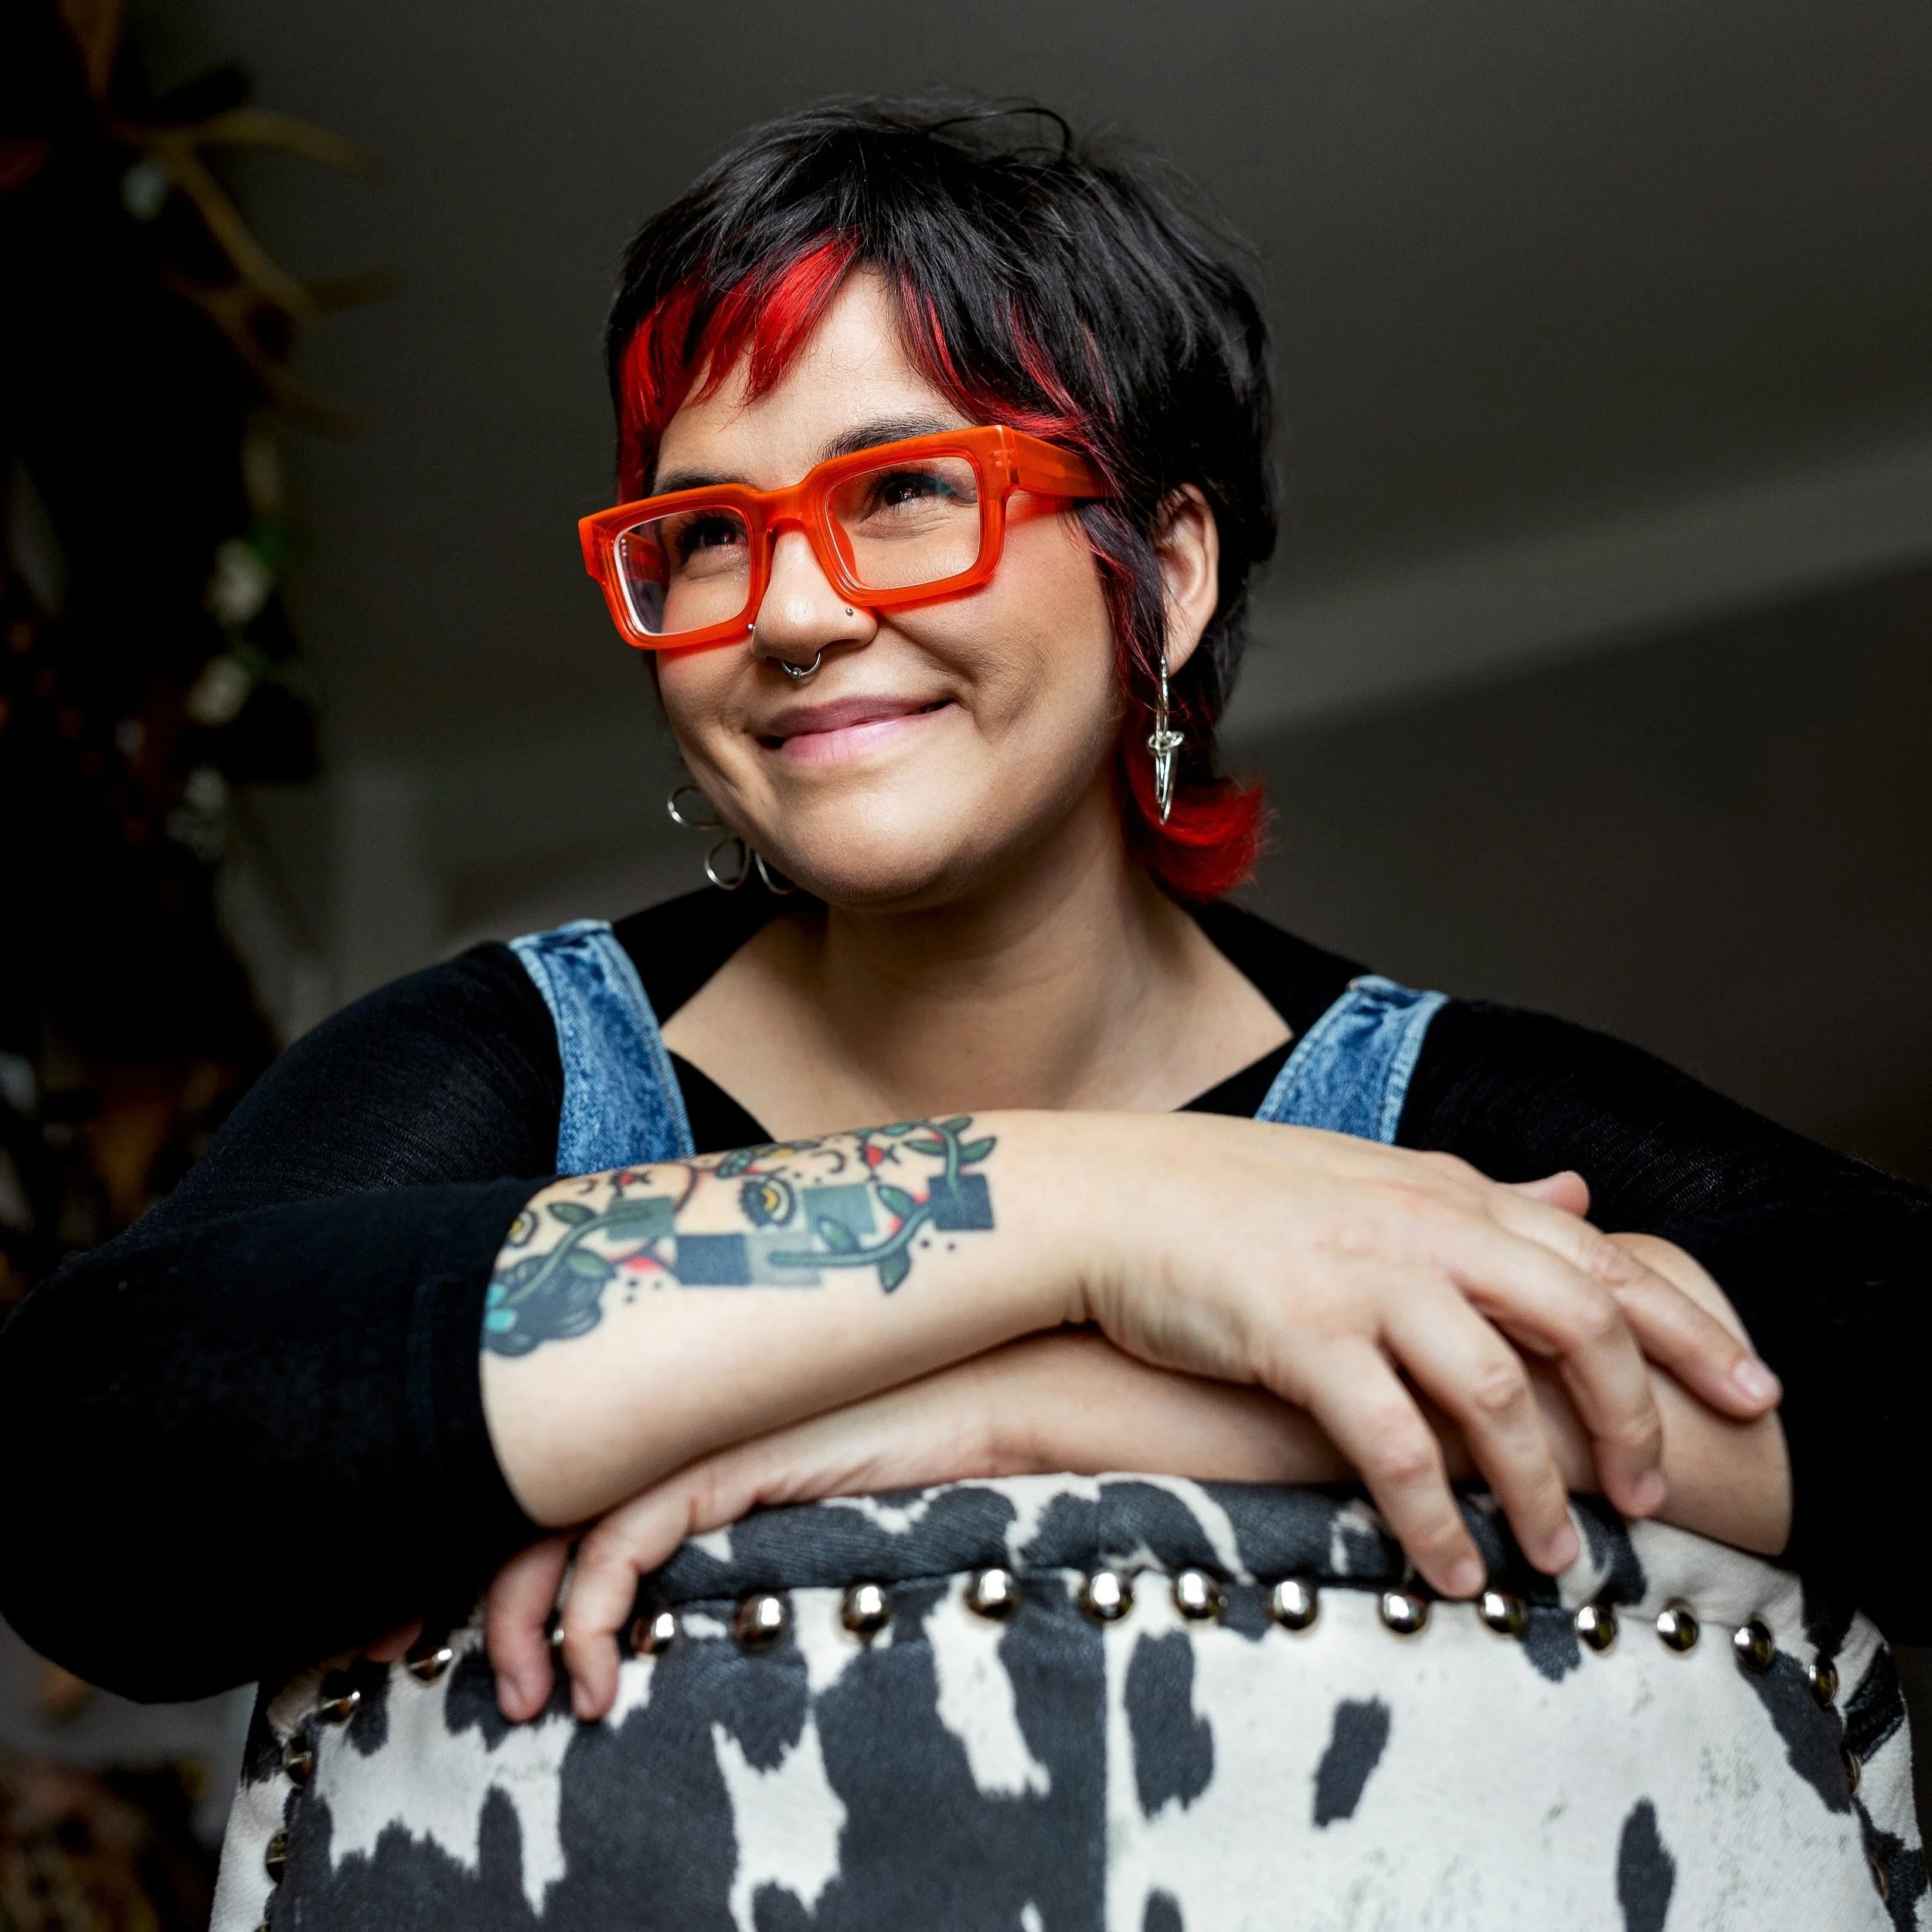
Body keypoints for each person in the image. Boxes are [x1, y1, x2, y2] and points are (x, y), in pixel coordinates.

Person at [0, 100, 1927, 1921]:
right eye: (705, 535)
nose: (791, 610)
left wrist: (1033, 1391)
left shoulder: (1430, 1091)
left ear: (1158, 576)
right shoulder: (518, 1056)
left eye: (905, 490)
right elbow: (107, 1472)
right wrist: (1104, 1209)